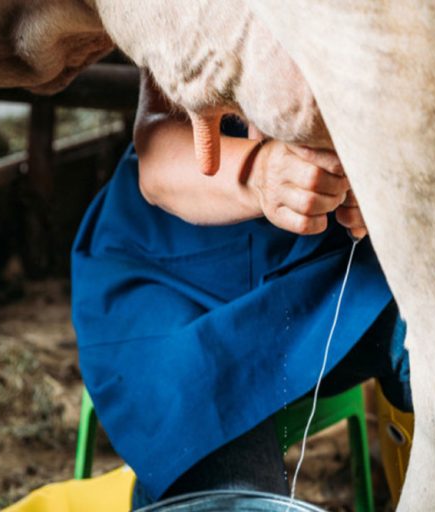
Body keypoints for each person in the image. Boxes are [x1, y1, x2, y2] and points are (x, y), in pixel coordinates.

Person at [71, 71, 412, 508]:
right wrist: (258, 173)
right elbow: (156, 152)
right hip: (175, 268)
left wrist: (382, 188)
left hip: (332, 266)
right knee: (219, 481)